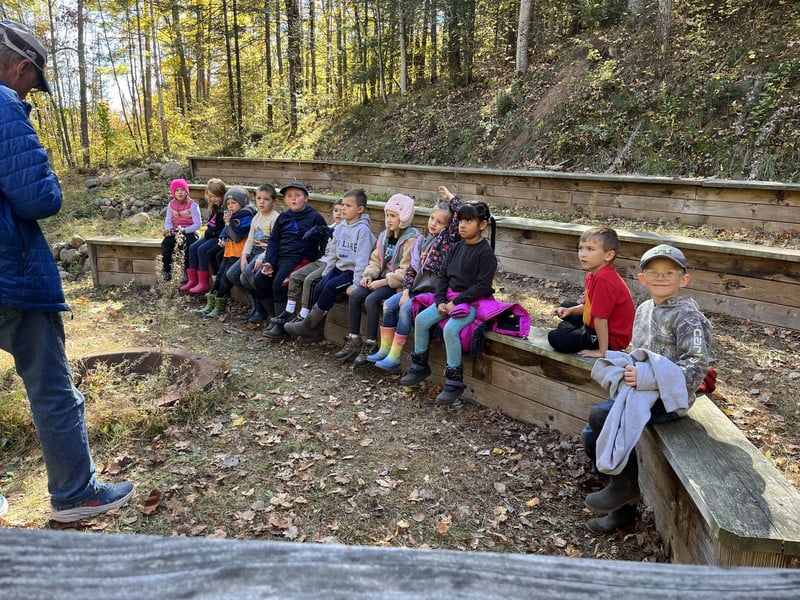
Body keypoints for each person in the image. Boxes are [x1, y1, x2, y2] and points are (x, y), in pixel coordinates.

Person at [0, 20, 133, 522]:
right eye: (34, 83)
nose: (30, 92)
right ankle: (75, 495)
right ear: (21, 67)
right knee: (52, 389)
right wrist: (48, 174)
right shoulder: (4, 104)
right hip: (10, 274)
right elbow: (39, 198)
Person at [582, 244, 712, 534]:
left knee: (602, 416)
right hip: (642, 391)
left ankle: (625, 487)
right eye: (653, 273)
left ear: (684, 279)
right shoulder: (643, 309)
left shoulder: (688, 318)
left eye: (669, 273)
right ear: (642, 279)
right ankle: (618, 496)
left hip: (670, 399)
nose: (661, 278)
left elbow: (696, 368)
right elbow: (639, 351)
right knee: (591, 434)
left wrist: (646, 377)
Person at [400, 202, 498, 405]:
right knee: (421, 320)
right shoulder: (455, 248)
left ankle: (454, 382)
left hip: (473, 301)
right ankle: (420, 366)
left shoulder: (486, 254)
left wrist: (456, 302)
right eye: (460, 220)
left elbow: (482, 286)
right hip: (449, 298)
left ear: (482, 225)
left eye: (468, 221)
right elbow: (443, 276)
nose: (462, 225)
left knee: (451, 329)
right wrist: (440, 301)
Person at [368, 185, 462, 371]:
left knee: (405, 309)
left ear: (448, 226)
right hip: (415, 290)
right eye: (432, 218)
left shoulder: (447, 240)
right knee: (389, 305)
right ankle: (385, 349)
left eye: (440, 222)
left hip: (432, 293)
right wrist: (405, 291)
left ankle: (395, 356)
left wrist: (451, 197)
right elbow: (411, 269)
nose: (433, 223)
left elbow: (459, 214)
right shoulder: (422, 241)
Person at [334, 194, 419, 365]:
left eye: (393, 216)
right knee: (356, 294)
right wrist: (368, 275)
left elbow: (406, 270)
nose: (388, 220)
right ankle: (354, 338)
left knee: (371, 299)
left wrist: (383, 281)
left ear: (404, 218)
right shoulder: (384, 236)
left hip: (395, 283)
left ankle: (371, 343)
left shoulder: (411, 239)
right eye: (387, 215)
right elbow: (375, 260)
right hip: (379, 278)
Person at [284, 190, 375, 342]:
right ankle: (315, 332)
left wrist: (356, 284)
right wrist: (326, 273)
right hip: (338, 268)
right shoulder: (341, 227)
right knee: (319, 286)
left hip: (352, 272)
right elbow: (333, 253)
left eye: (348, 206)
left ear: (360, 209)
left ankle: (308, 325)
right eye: (343, 205)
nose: (343, 208)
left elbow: (362, 260)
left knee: (330, 288)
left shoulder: (363, 231)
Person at [547, 226, 635, 357]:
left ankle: (587, 336)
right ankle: (578, 330)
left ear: (608, 255)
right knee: (566, 306)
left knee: (556, 337)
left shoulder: (604, 280)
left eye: (590, 249)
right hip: (601, 324)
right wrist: (569, 311)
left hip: (612, 338)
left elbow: (600, 319)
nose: (582, 254)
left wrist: (602, 352)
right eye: (580, 248)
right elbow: (589, 306)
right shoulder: (593, 275)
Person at [264, 198, 344, 339]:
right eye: (335, 210)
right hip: (320, 260)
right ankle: (289, 311)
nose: (338, 214)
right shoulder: (329, 227)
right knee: (295, 276)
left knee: (309, 280)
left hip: (330, 264)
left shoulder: (345, 230)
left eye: (342, 211)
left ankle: (303, 316)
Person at [252, 182, 328, 327]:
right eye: (289, 196)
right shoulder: (283, 217)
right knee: (259, 280)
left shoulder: (314, 217)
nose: (293, 199)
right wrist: (269, 262)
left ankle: (281, 325)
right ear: (285, 200)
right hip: (280, 257)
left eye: (297, 195)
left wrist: (317, 259)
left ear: (306, 198)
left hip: (300, 258)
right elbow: (274, 240)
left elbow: (325, 240)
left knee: (279, 283)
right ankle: (275, 317)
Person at [196, 186, 255, 318]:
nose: (230, 206)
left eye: (234, 203)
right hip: (228, 251)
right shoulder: (233, 215)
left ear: (242, 202)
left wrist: (229, 224)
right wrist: (222, 238)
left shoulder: (247, 216)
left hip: (238, 253)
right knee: (219, 276)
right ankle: (212, 304)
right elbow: (225, 231)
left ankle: (220, 307)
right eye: (228, 204)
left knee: (225, 280)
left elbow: (238, 236)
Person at [229, 184, 279, 323]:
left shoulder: (275, 219)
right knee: (232, 274)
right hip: (253, 250)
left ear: (274, 202)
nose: (261, 202)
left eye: (266, 199)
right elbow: (250, 238)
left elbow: (274, 244)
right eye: (259, 198)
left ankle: (263, 308)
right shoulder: (257, 216)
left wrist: (261, 258)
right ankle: (257, 304)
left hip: (265, 252)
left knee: (246, 274)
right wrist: (244, 255)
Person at [181, 178, 227, 293]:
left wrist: (211, 232)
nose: (213, 199)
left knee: (202, 249)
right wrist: (209, 232)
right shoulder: (214, 207)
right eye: (210, 196)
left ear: (222, 194)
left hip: (217, 238)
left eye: (215, 196)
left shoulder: (225, 210)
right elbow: (211, 224)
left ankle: (204, 283)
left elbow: (222, 229)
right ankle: (192, 280)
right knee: (192, 248)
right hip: (210, 235)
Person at [159, 178, 201, 283]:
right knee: (166, 244)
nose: (180, 192)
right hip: (175, 231)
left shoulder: (193, 205)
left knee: (187, 245)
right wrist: (170, 229)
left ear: (186, 191)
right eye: (177, 190)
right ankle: (166, 272)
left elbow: (198, 224)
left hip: (190, 231)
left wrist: (183, 231)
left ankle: (186, 272)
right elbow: (168, 221)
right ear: (174, 193)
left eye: (182, 190)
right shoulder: (171, 204)